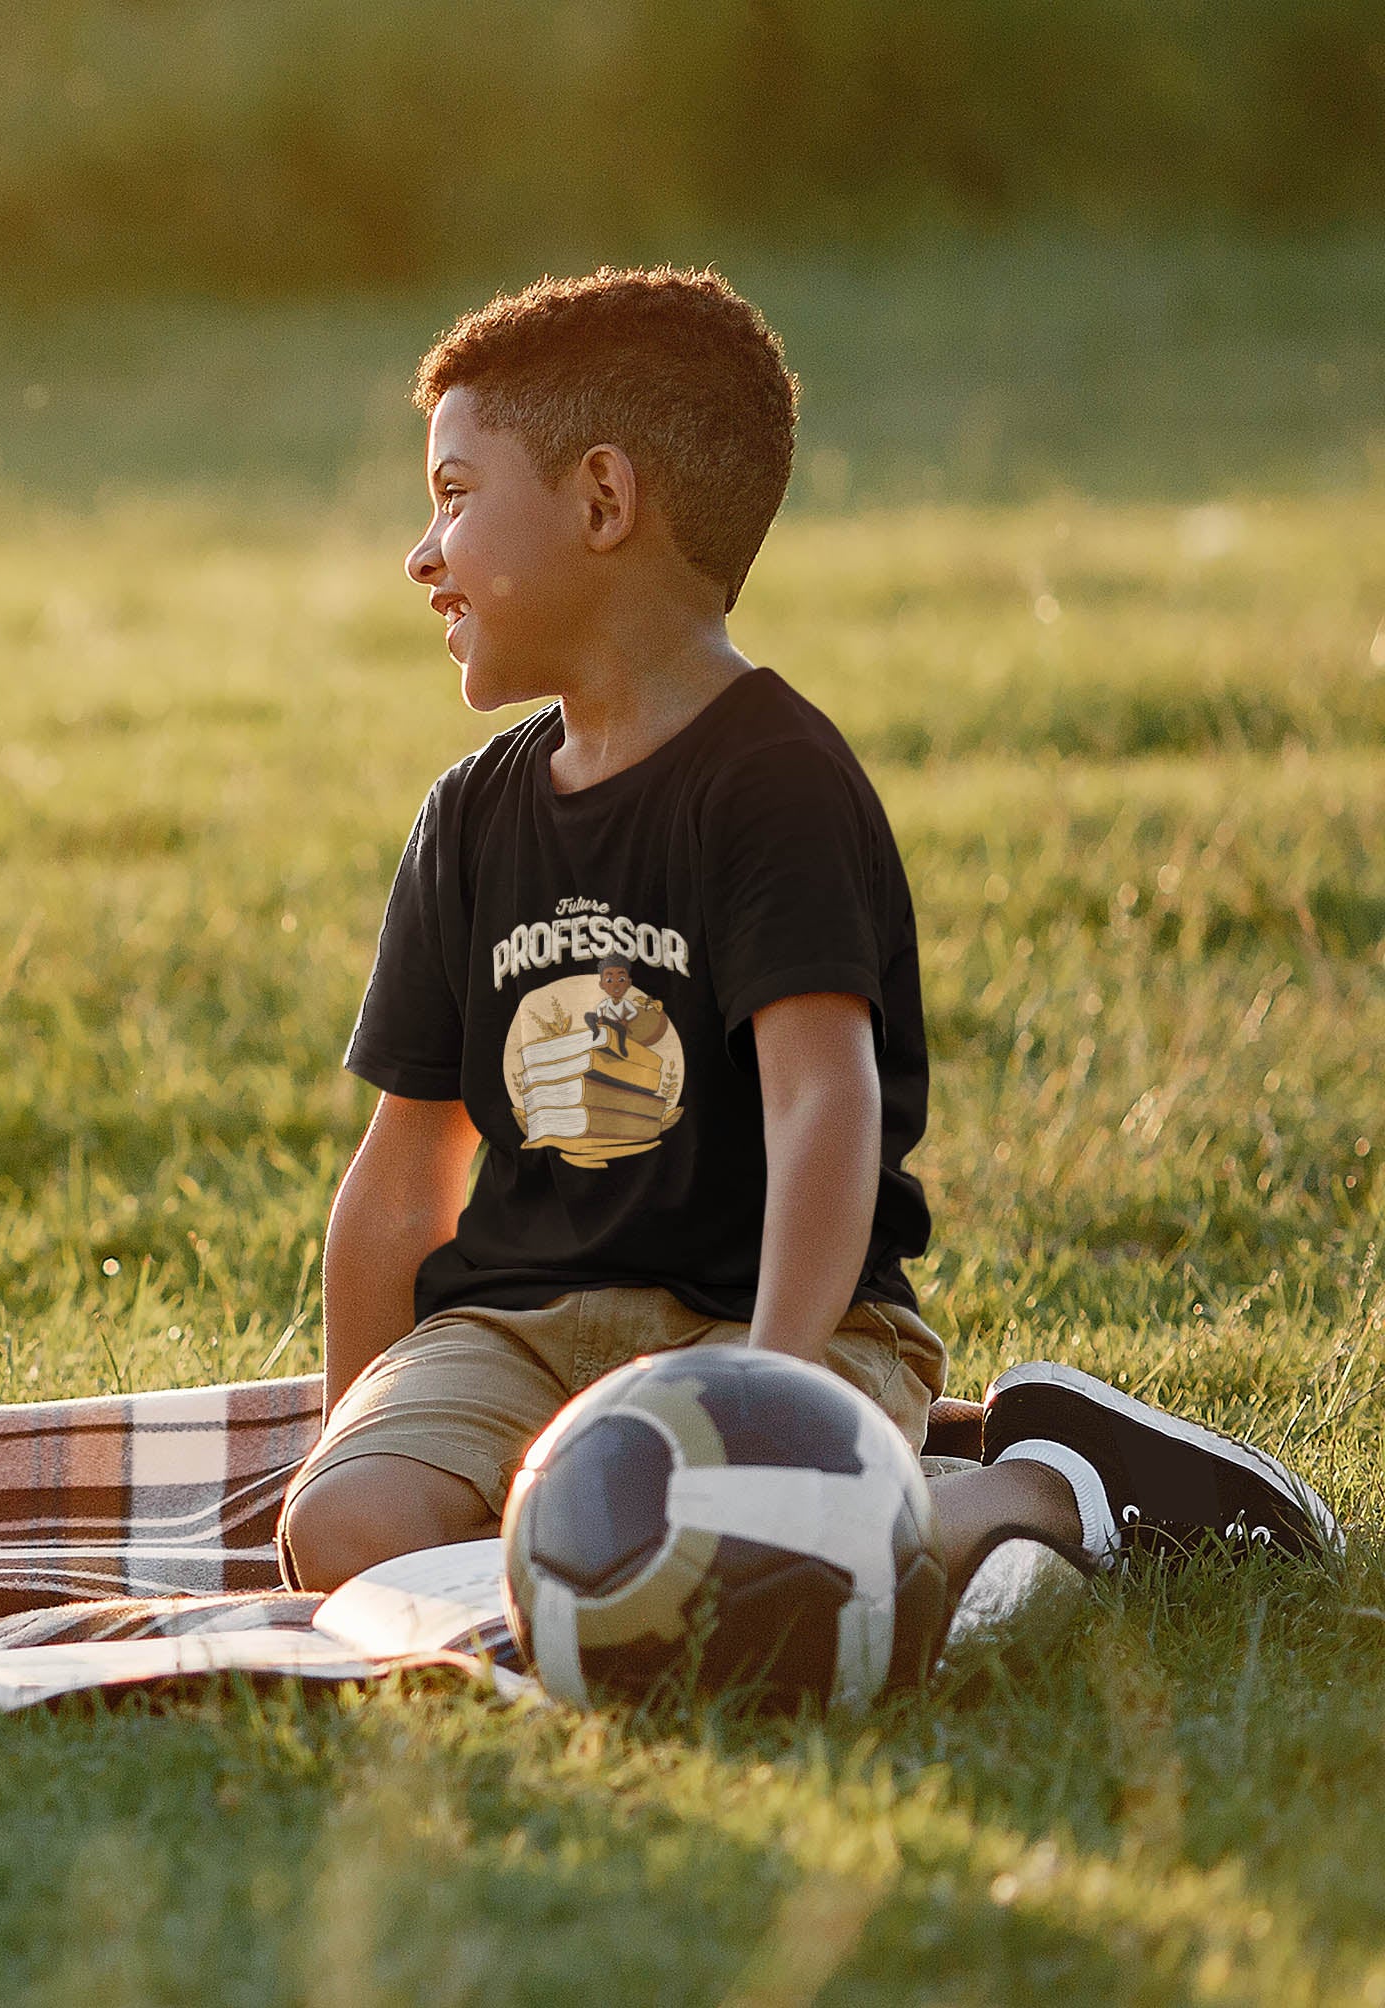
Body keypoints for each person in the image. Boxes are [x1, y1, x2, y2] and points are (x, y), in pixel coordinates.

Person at [277, 267, 1340, 1605]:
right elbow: (399, 1178)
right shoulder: (473, 815)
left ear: (603, 501)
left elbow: (823, 1108)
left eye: (452, 495)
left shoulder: (770, 782)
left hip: (780, 1318)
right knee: (351, 1534)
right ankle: (797, 1517)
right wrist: (348, 1434)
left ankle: (1045, 1490)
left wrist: (769, 1402)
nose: (422, 554)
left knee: (725, 1563)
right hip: (519, 1327)